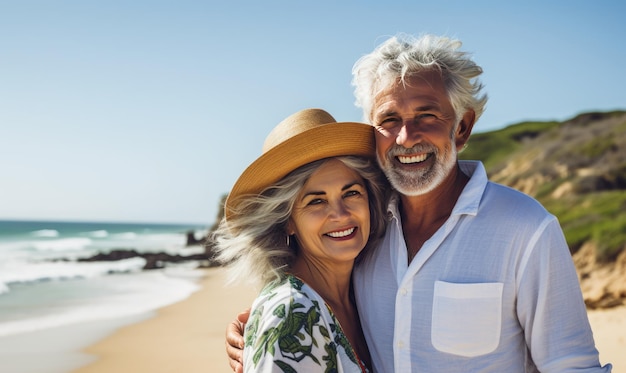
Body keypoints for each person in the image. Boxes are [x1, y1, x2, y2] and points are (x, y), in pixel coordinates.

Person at [226, 34, 612, 372]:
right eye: (389, 119)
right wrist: (266, 327)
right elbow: (306, 305)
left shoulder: (526, 229)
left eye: (426, 114)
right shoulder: (365, 233)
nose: (406, 137)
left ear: (461, 127)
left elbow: (572, 367)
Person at [213, 108, 390, 372]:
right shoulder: (289, 315)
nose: (340, 214)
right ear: (287, 222)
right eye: (316, 201)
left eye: (351, 193)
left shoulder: (367, 291)